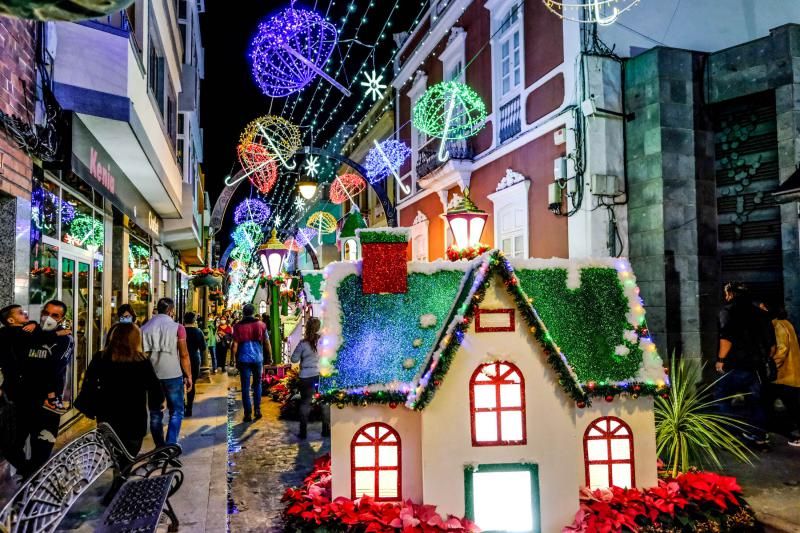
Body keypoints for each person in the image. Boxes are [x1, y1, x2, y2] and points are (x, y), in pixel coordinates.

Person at [0, 301, 73, 476]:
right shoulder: (26, 333)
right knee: (9, 444)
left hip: (48, 405)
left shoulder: (64, 339)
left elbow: (53, 367)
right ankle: (29, 477)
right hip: (22, 403)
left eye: (55, 315)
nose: (48, 317)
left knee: (41, 450)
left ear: (62, 318)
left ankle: (31, 487)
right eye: (46, 313)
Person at [83, 322, 164, 457]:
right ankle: (122, 474)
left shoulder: (101, 357)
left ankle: (118, 471)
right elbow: (153, 385)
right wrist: (158, 401)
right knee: (130, 453)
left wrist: (90, 407)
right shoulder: (141, 361)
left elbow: (89, 382)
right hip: (134, 415)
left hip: (107, 414)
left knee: (113, 451)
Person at [715, 282, 775, 447]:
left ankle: (729, 435)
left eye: (726, 293)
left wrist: (721, 360)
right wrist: (763, 359)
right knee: (756, 400)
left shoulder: (728, 311)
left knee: (720, 397)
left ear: (732, 294)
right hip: (756, 366)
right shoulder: (760, 313)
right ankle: (759, 436)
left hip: (735, 364)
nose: (725, 296)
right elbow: (772, 346)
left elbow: (726, 338)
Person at [141, 298, 192, 447]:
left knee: (155, 412)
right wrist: (188, 375)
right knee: (176, 410)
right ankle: (171, 443)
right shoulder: (178, 328)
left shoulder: (144, 328)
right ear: (171, 311)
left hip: (152, 376)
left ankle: (160, 447)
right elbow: (184, 355)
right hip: (173, 374)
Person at [290, 317, 329, 439]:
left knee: (305, 403)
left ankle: (303, 432)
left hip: (306, 376)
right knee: (324, 402)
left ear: (307, 328)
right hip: (321, 375)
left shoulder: (303, 343)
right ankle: (326, 429)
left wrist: (303, 357)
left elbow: (294, 359)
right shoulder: (325, 342)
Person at [232, 304, 268, 422]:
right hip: (258, 358)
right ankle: (257, 409)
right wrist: (270, 357)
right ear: (254, 312)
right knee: (257, 384)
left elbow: (235, 344)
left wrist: (232, 359)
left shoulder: (237, 326)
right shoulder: (261, 325)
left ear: (243, 312)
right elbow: (267, 343)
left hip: (244, 359)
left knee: (245, 387)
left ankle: (247, 413)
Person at [769, 306, 800, 447]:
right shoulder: (787, 323)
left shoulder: (777, 326)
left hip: (784, 375)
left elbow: (782, 349)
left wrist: (771, 365)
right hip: (790, 373)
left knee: (793, 406)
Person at [183, 312, 206, 417]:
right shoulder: (198, 332)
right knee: (191, 384)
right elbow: (203, 348)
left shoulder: (180, 331)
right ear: (194, 320)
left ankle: (182, 404)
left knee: (181, 383)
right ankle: (189, 408)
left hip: (181, 360)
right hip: (194, 359)